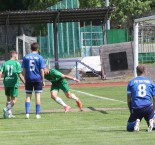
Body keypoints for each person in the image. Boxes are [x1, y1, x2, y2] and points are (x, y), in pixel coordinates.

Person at [127, 65, 155, 132]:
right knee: (153, 124)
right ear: (144, 71)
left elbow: (128, 99)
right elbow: (154, 98)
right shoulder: (150, 82)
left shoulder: (131, 82)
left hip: (137, 107)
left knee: (129, 128)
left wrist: (131, 111)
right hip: (148, 107)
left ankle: (135, 123)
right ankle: (152, 123)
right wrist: (153, 110)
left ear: (136, 71)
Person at [22, 42, 45, 119]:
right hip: (38, 78)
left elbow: (24, 70)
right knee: (37, 96)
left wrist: (24, 79)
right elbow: (42, 70)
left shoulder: (26, 57)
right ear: (37, 49)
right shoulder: (40, 57)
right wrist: (43, 80)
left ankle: (27, 114)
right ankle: (37, 114)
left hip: (29, 78)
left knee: (28, 96)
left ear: (30, 48)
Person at [0, 50, 25, 118]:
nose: (17, 56)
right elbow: (20, 75)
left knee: (8, 99)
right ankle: (6, 109)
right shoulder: (17, 64)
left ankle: (8, 114)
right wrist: (25, 83)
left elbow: (0, 73)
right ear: (14, 55)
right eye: (17, 55)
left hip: (6, 83)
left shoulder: (5, 63)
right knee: (13, 100)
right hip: (14, 83)